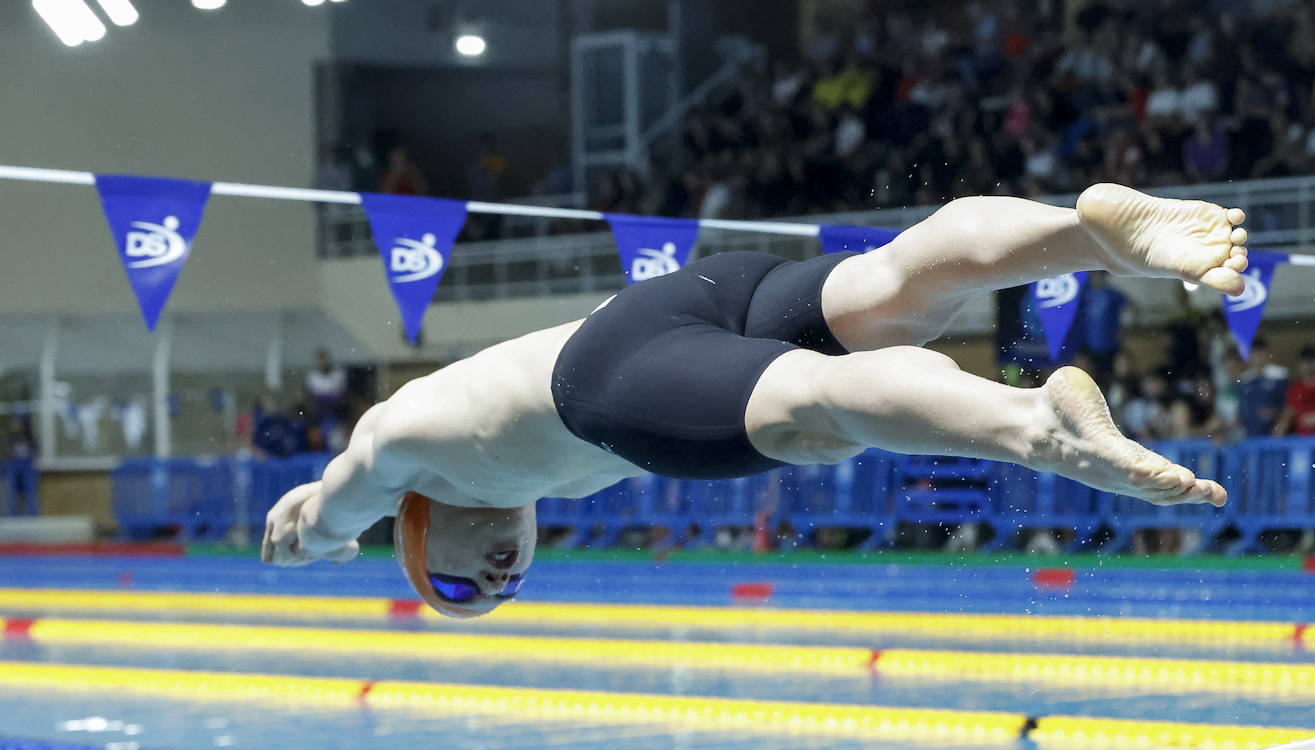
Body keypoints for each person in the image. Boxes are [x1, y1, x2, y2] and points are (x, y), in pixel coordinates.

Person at [262, 184, 1246, 617]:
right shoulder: (475, 458)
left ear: (419, 534)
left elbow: (332, 498)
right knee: (895, 287)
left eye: (465, 586)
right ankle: (1100, 235)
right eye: (503, 594)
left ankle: (1034, 424)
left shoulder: (400, 455)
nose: (504, 577)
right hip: (687, 302)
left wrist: (312, 531)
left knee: (814, 414)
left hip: (607, 380)